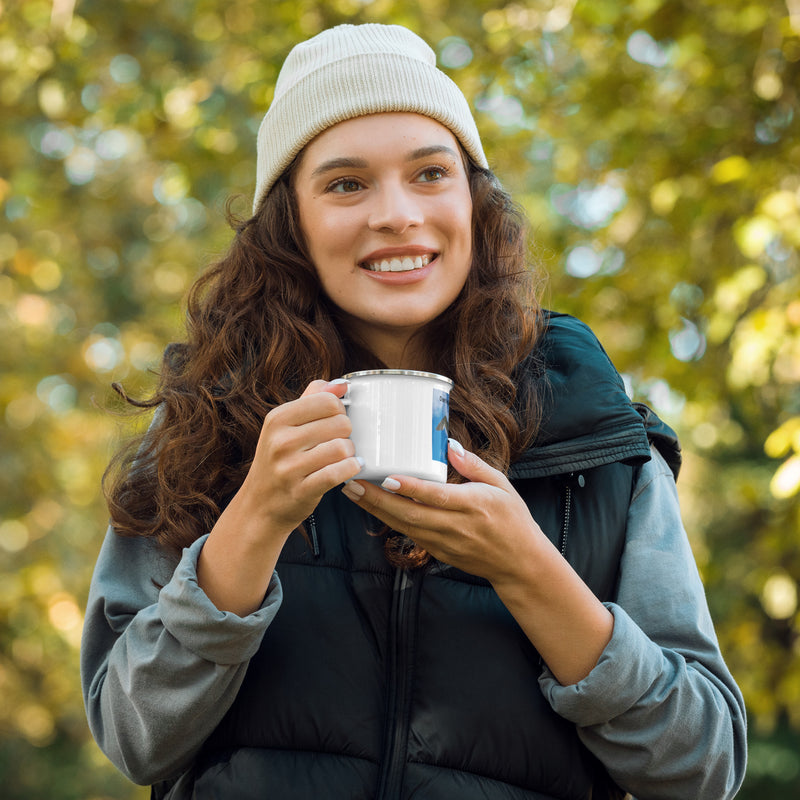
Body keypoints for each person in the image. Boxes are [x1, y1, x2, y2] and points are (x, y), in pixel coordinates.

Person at [81, 22, 747, 800]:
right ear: (289, 222)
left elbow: (704, 767)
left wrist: (526, 567)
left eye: (430, 173)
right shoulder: (207, 425)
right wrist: (255, 518)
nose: (396, 214)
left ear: (474, 200)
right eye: (345, 183)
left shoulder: (593, 438)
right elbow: (133, 739)